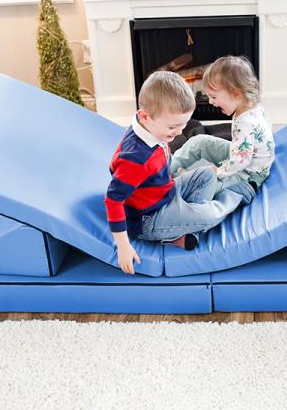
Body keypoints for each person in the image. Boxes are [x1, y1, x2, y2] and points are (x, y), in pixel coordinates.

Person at [104, 71, 242, 274]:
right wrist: (123, 246)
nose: (179, 132)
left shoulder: (148, 127)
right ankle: (239, 192)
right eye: (172, 127)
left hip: (165, 192)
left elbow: (159, 166)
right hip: (150, 219)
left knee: (207, 175)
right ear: (145, 116)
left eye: (184, 125)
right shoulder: (135, 159)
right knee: (211, 213)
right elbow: (113, 200)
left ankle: (182, 233)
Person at [170, 56, 275, 204]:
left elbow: (240, 161)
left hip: (248, 174)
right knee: (200, 142)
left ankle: (179, 185)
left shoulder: (245, 123)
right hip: (242, 156)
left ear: (236, 93)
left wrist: (218, 172)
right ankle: (168, 167)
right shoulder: (252, 105)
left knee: (211, 186)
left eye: (213, 97)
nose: (210, 102)